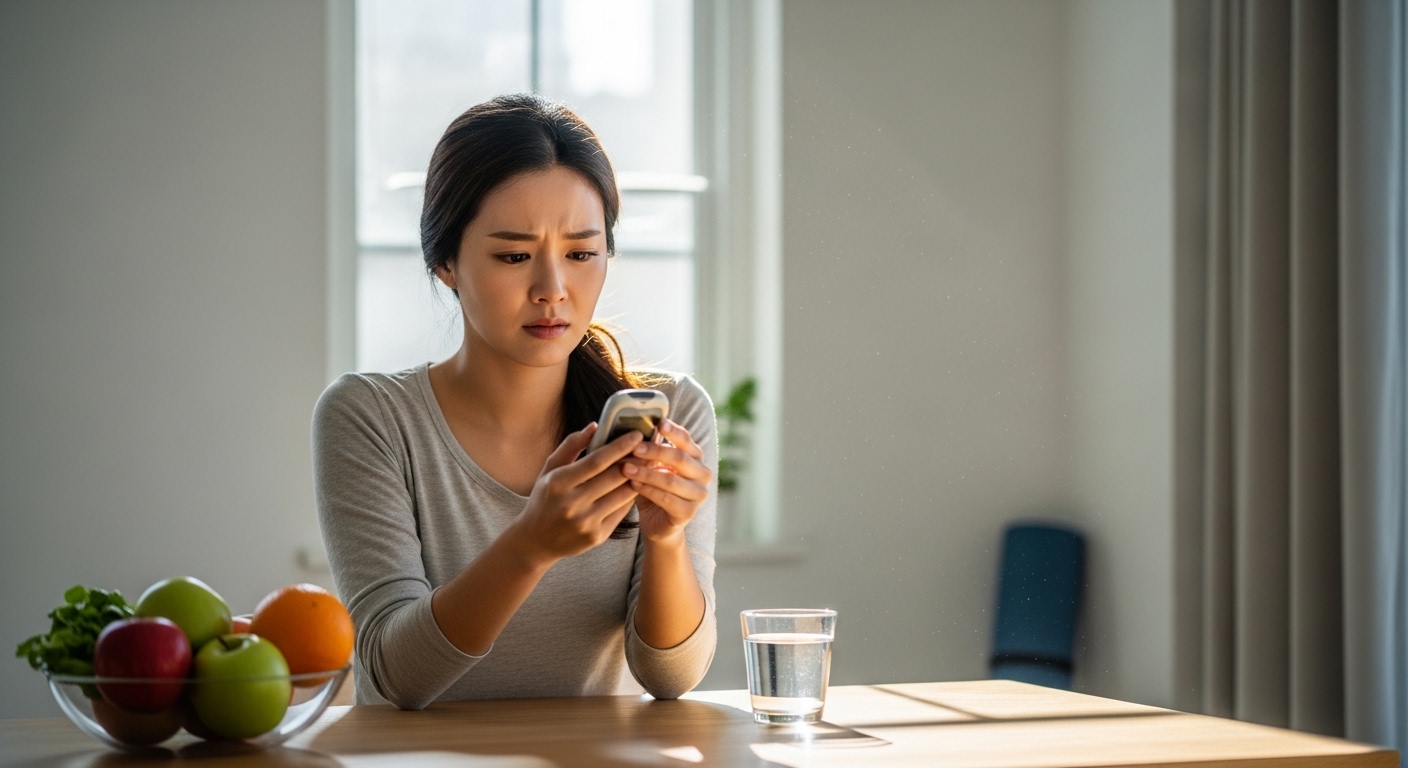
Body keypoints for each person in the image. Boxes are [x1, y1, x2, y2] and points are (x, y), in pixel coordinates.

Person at [312, 94, 717, 710]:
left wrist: (665, 542)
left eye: (582, 254)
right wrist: (529, 546)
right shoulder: (370, 417)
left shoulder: (673, 408)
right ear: (446, 261)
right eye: (513, 256)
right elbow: (395, 676)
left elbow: (671, 678)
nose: (553, 290)